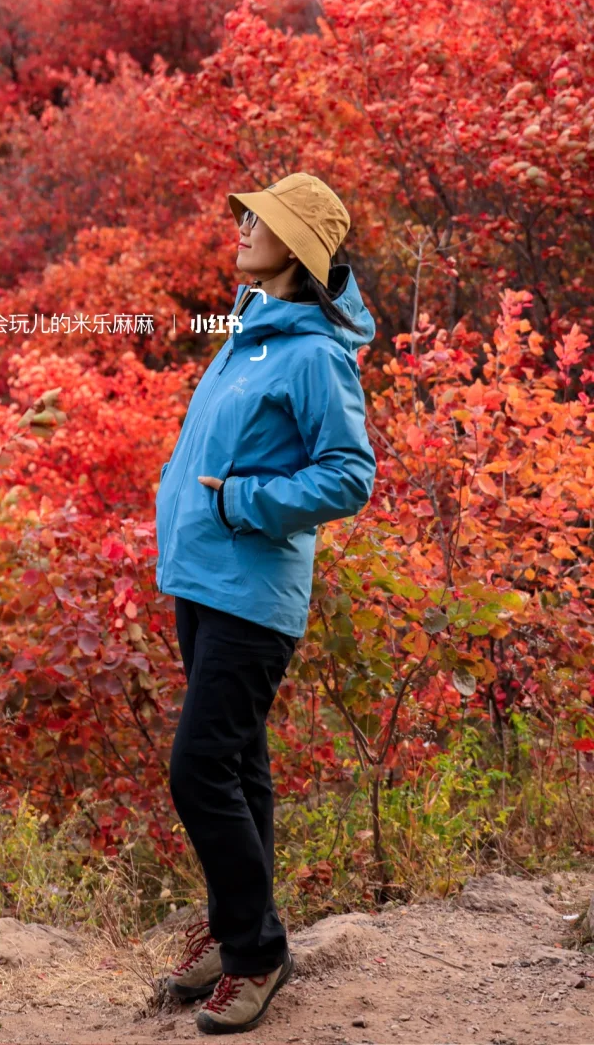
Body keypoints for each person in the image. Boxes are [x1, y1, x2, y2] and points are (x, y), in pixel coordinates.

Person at [154, 172, 377, 1035]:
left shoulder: (315, 353)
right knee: (239, 769)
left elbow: (349, 475)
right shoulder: (248, 330)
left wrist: (241, 502)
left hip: (252, 595)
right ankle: (235, 931)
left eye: (262, 219)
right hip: (203, 581)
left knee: (198, 770)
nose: (243, 225)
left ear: (298, 247)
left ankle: (256, 955)